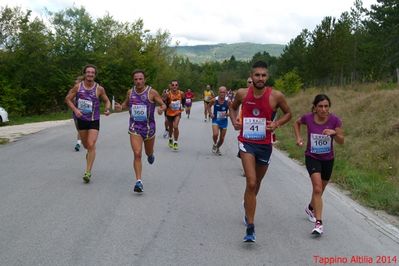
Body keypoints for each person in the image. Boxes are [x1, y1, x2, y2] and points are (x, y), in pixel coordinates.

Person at [229, 61, 292, 242]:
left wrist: (276, 124)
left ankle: (248, 204)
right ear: (251, 75)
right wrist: (234, 122)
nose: (260, 78)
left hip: (265, 144)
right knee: (251, 181)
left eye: (263, 75)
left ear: (267, 77)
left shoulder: (276, 96)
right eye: (257, 75)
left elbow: (289, 113)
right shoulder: (242, 93)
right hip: (246, 142)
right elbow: (232, 108)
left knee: (257, 184)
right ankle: (250, 226)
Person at [293, 94, 344, 236]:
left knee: (321, 189)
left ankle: (310, 207)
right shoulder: (308, 118)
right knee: (317, 188)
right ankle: (319, 223)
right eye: (320, 106)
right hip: (312, 157)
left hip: (328, 159)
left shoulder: (335, 120)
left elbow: (342, 140)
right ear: (315, 108)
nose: (323, 109)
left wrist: (334, 133)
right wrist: (298, 137)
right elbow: (296, 123)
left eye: (326, 106)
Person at [114, 70, 166, 193]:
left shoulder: (151, 92)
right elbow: (126, 104)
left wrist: (161, 109)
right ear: (133, 80)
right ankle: (139, 181)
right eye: (136, 79)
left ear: (144, 80)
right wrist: (120, 107)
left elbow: (163, 104)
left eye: (140, 79)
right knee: (137, 153)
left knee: (148, 152)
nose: (138, 81)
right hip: (134, 127)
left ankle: (150, 154)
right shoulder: (130, 92)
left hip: (149, 128)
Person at [65, 64, 111, 183]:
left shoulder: (99, 89)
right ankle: (89, 156)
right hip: (81, 120)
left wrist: (107, 109)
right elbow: (67, 99)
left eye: (92, 72)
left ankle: (88, 172)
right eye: (88, 72)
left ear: (95, 75)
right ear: (85, 74)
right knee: (86, 146)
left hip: (94, 120)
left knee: (91, 144)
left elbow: (107, 101)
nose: (90, 74)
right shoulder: (78, 87)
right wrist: (75, 110)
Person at [208, 86, 229, 156]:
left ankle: (217, 147)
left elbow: (232, 110)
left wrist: (228, 114)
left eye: (224, 92)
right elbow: (208, 106)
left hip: (224, 121)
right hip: (216, 119)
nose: (222, 93)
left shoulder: (228, 101)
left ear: (226, 93)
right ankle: (215, 143)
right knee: (215, 134)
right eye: (221, 92)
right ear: (218, 92)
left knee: (222, 138)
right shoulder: (214, 100)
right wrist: (210, 114)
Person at [165, 80, 185, 150]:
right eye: (173, 85)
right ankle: (170, 138)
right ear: (171, 86)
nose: (174, 86)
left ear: (178, 86)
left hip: (177, 112)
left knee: (175, 126)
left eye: (176, 85)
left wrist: (182, 106)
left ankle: (175, 142)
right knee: (170, 128)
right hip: (169, 113)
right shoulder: (168, 94)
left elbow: (183, 100)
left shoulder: (181, 93)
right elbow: (164, 103)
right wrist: (168, 105)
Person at [72, 75, 84, 151]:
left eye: (77, 80)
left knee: (80, 129)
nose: (75, 81)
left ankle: (78, 144)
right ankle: (83, 138)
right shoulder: (74, 90)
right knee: (79, 129)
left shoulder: (86, 90)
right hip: (76, 112)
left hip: (85, 113)